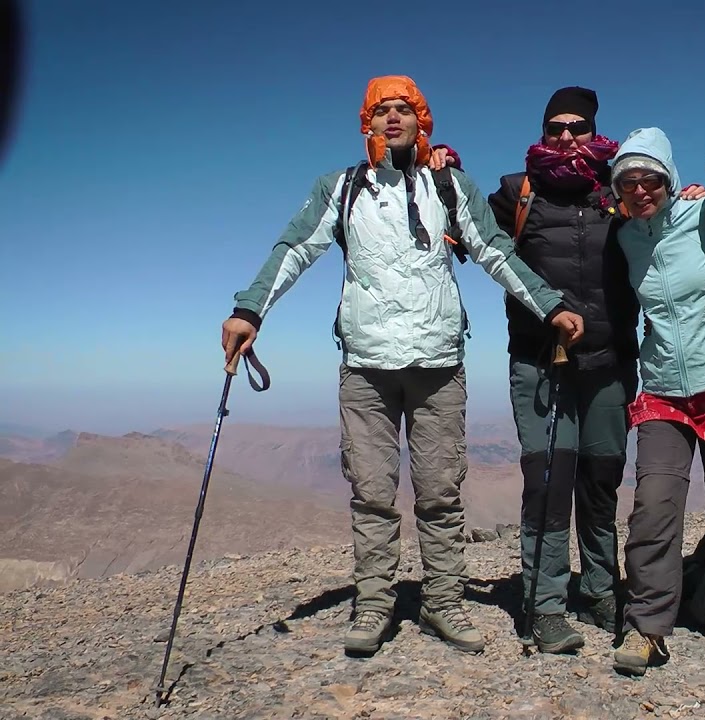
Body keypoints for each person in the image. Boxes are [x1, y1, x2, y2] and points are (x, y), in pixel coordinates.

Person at [220, 75, 585, 657]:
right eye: (381, 111)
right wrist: (249, 310)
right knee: (371, 491)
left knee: (441, 492)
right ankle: (375, 603)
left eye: (405, 110)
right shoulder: (341, 188)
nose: (393, 118)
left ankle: (442, 601)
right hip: (366, 363)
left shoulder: (448, 185)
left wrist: (550, 306)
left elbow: (493, 250)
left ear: (423, 122)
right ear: (367, 123)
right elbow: (295, 249)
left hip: (438, 360)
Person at [608, 127, 705, 676]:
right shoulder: (624, 237)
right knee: (653, 505)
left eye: (651, 178)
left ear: (669, 179)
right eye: (628, 182)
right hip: (662, 391)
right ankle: (648, 626)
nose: (641, 190)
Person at [483, 86, 636, 654]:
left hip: (610, 362)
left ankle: (599, 589)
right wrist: (433, 161)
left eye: (578, 127)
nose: (566, 137)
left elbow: (665, 227)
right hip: (540, 361)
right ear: (542, 133)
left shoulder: (619, 192)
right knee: (548, 479)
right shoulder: (515, 194)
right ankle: (544, 604)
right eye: (555, 128)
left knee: (601, 479)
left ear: (595, 133)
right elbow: (464, 232)